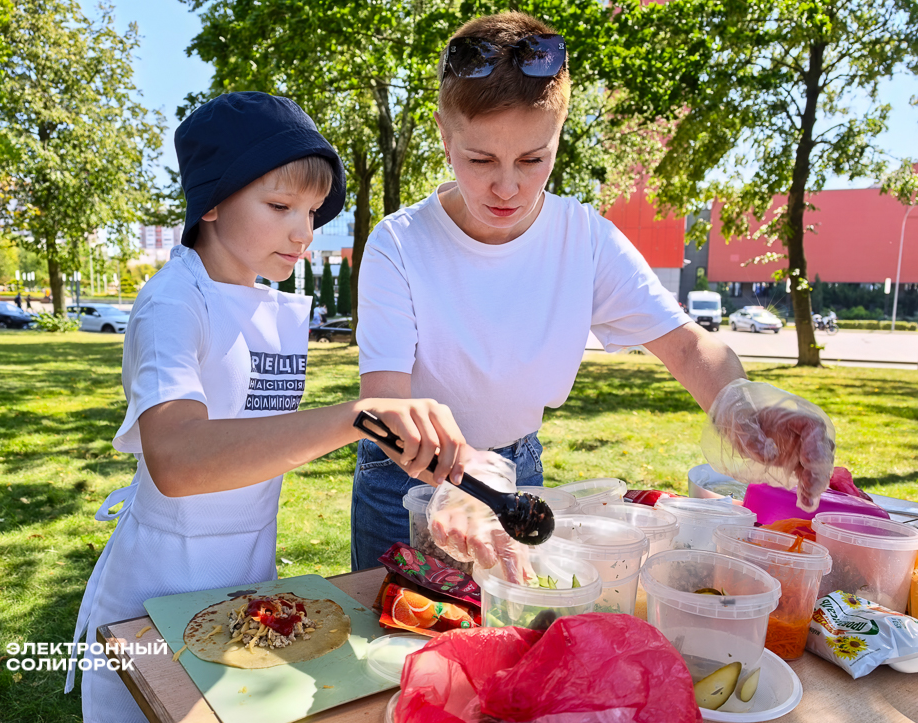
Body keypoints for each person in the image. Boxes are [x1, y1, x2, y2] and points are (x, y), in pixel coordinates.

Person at [351, 12, 835, 571]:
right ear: (443, 133)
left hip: (517, 467)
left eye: (534, 160)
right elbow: (385, 403)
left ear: (558, 136)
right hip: (405, 478)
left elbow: (685, 345)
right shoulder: (399, 243)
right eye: (480, 159)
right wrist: (460, 474)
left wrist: (742, 405)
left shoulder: (583, 238)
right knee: (389, 638)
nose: (507, 187)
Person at [65, 92, 471, 723]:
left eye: (310, 211)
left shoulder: (268, 303)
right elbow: (176, 458)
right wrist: (355, 416)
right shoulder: (171, 303)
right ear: (214, 202)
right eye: (280, 207)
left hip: (246, 585)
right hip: (158, 591)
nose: (302, 230)